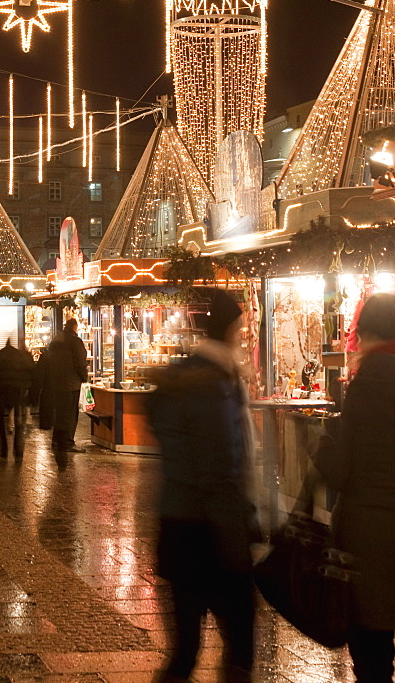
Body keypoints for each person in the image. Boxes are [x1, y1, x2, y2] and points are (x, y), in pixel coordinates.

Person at [148, 289, 257, 683]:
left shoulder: (185, 379)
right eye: (241, 327)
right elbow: (221, 468)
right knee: (240, 648)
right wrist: (242, 538)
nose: (243, 334)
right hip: (211, 532)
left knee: (185, 651)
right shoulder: (214, 386)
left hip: (177, 526)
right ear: (228, 329)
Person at [314, 293, 395, 683]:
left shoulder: (364, 387)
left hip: (368, 544)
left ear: (365, 334)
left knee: (373, 659)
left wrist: (323, 445)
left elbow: (340, 472)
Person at [0, 336, 35, 458]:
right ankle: (18, 449)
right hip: (20, 392)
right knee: (19, 421)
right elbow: (33, 372)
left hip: (3, 391)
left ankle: (3, 449)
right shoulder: (25, 356)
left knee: (2, 420)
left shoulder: (2, 355)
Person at [49, 318, 89, 453]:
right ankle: (67, 442)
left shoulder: (55, 342)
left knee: (60, 412)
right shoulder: (75, 341)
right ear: (75, 327)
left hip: (57, 383)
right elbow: (80, 361)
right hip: (71, 384)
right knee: (71, 414)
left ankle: (57, 440)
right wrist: (84, 377)